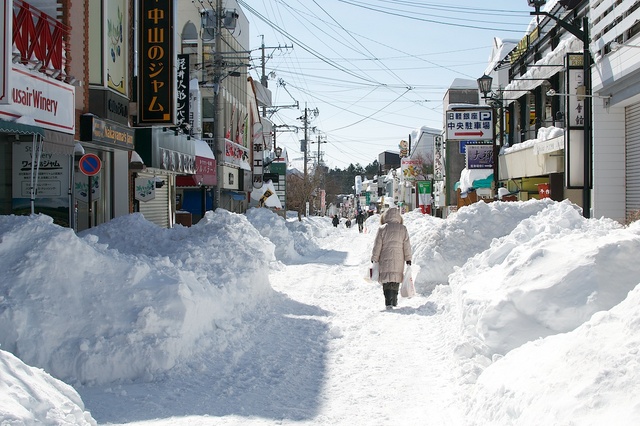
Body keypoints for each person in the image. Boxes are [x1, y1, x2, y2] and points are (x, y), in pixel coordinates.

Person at [370, 207, 411, 309]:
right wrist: (408, 259)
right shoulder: (403, 228)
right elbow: (407, 246)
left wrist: (374, 258)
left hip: (385, 258)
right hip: (399, 259)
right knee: (395, 279)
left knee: (387, 279)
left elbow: (377, 245)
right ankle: (394, 300)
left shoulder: (382, 229)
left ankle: (388, 301)